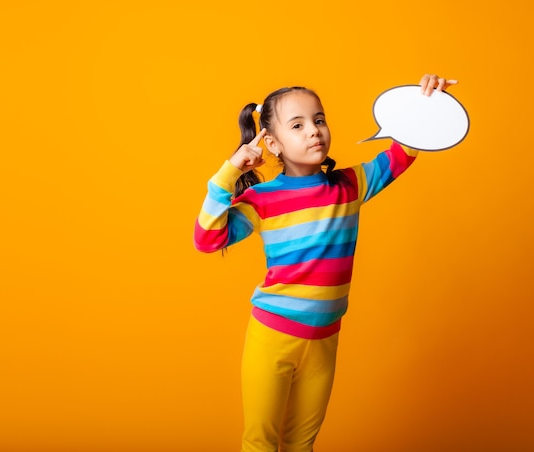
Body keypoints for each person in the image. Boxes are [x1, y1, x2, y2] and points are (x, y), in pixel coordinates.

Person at [194, 74, 457, 452]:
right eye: (297, 125)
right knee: (260, 443)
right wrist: (230, 170)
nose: (314, 131)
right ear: (272, 143)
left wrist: (424, 100)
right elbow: (207, 239)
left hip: (324, 341)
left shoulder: (349, 186)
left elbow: (402, 154)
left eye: (319, 120)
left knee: (302, 444)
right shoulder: (261, 200)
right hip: (272, 338)